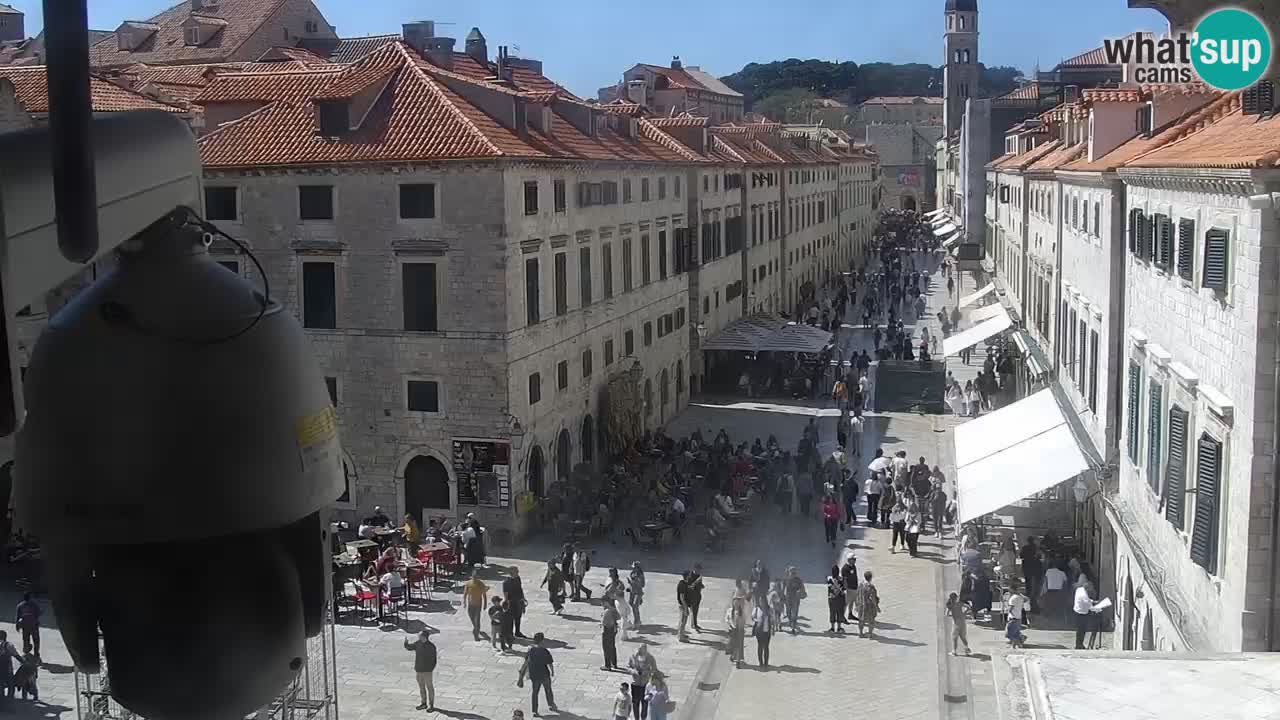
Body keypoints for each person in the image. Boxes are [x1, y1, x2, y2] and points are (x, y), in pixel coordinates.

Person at [517, 633, 557, 716]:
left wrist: (522, 674)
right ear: (542, 640)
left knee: (535, 692)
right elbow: (550, 663)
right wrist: (552, 671)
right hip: (544, 674)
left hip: (534, 675)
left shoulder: (530, 650)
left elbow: (526, 662)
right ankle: (551, 704)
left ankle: (534, 710)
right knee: (548, 690)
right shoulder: (545, 651)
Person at [403, 629, 438, 711]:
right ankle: (423, 703)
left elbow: (434, 660)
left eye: (420, 636)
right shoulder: (418, 643)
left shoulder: (431, 646)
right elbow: (410, 647)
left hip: (427, 671)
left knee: (429, 687)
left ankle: (431, 705)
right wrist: (406, 643)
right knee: (421, 687)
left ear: (424, 637)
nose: (419, 637)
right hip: (419, 670)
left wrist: (430, 669)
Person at [627, 645, 658, 719]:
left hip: (645, 683)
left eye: (642, 649)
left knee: (644, 702)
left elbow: (654, 669)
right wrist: (634, 671)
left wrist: (646, 672)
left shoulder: (650, 658)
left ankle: (643, 718)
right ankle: (636, 718)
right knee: (635, 702)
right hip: (635, 683)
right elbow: (628, 667)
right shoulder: (633, 656)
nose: (640, 651)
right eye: (639, 649)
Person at [463, 571, 490, 641]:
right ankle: (476, 627)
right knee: (471, 617)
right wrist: (464, 602)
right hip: (470, 604)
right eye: (473, 577)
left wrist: (485, 604)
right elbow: (465, 593)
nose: (475, 578)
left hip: (478, 604)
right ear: (472, 576)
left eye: (476, 577)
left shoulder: (481, 584)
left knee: (477, 620)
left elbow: (484, 595)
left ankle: (476, 634)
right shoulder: (468, 583)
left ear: (478, 577)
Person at [1021, 537, 1044, 615]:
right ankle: (1034, 606)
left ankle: (1031, 602)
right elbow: (1040, 557)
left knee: (1029, 587)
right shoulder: (1037, 548)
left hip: (1027, 569)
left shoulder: (1025, 548)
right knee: (1036, 588)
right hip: (1036, 570)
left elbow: (1021, 556)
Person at [854, 571, 880, 638]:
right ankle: (870, 634)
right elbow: (872, 597)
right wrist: (876, 607)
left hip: (861, 605)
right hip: (869, 606)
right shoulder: (871, 586)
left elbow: (857, 595)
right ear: (870, 578)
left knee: (861, 620)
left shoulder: (861, 584)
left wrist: (856, 604)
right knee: (871, 621)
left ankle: (860, 633)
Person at [504, 566, 529, 638]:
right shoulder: (506, 582)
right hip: (511, 602)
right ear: (512, 572)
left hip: (519, 601)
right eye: (516, 571)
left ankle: (517, 632)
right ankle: (510, 633)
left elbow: (520, 589)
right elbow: (505, 593)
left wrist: (523, 598)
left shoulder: (518, 578)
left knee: (518, 617)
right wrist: (507, 603)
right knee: (511, 618)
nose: (518, 572)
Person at [783, 567, 805, 634]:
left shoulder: (799, 580)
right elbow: (782, 589)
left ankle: (793, 626)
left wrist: (800, 591)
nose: (793, 574)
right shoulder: (786, 579)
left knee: (794, 614)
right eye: (792, 572)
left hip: (796, 599)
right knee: (788, 612)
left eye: (794, 573)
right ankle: (790, 622)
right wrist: (782, 596)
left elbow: (802, 588)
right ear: (789, 573)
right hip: (788, 599)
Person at [601, 598, 622, 671]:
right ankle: (614, 663)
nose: (602, 604)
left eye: (603, 602)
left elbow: (604, 622)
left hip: (607, 630)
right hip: (613, 629)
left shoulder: (607, 611)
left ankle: (607, 665)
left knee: (606, 648)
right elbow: (619, 617)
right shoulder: (614, 609)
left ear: (607, 602)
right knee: (612, 646)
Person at [751, 599, 772, 668]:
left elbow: (772, 619)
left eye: (762, 601)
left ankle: (766, 663)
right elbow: (753, 617)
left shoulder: (769, 609)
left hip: (767, 630)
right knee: (760, 646)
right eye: (760, 601)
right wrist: (757, 620)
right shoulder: (756, 609)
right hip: (759, 630)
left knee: (766, 646)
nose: (761, 603)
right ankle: (760, 662)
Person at [826, 565, 846, 633]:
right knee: (840, 612)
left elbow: (829, 587)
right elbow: (844, 589)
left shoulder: (829, 579)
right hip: (840, 599)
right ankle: (839, 628)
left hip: (832, 599)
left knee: (832, 612)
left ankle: (832, 628)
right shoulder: (842, 579)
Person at [0, 630, 19, 702]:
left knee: (1, 685)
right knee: (11, 685)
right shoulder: (8, 645)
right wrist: (25, 662)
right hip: (7, 669)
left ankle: (1, 699)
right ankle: (9, 700)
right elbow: (16, 655)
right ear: (5, 637)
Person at [840, 556, 860, 621]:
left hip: (854, 587)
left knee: (852, 602)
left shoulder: (853, 566)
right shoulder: (845, 568)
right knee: (846, 603)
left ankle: (850, 614)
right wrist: (845, 589)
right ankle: (842, 616)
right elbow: (844, 579)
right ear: (849, 560)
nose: (855, 560)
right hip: (849, 589)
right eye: (853, 559)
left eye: (855, 559)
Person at [687, 564, 705, 631]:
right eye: (698, 570)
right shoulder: (689, 576)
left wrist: (701, 585)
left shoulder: (699, 576)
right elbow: (688, 586)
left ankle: (695, 624)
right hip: (692, 596)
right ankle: (693, 625)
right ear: (694, 569)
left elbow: (699, 584)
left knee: (696, 611)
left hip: (698, 595)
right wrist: (694, 585)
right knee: (693, 611)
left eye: (700, 570)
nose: (700, 571)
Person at [628, 562, 646, 627]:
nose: (633, 569)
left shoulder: (641, 575)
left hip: (638, 592)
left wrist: (637, 581)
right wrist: (630, 584)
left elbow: (643, 585)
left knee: (635, 606)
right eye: (633, 567)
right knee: (632, 605)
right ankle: (637, 619)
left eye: (635, 568)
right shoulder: (632, 573)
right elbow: (631, 582)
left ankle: (637, 621)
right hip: (632, 592)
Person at [676, 572, 692, 641]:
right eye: (689, 575)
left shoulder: (684, 583)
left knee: (683, 621)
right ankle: (681, 637)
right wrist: (686, 608)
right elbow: (682, 597)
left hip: (684, 605)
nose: (690, 577)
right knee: (683, 621)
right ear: (687, 576)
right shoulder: (682, 585)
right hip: (683, 605)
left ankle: (681, 634)